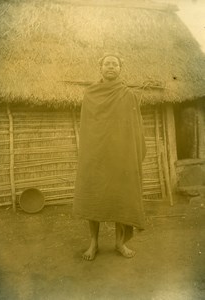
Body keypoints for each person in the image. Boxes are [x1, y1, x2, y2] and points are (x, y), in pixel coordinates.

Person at [73, 53, 146, 260]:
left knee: (121, 198)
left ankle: (119, 243)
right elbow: (87, 127)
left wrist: (132, 152)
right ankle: (93, 243)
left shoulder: (128, 95)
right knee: (93, 197)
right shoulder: (90, 94)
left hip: (120, 157)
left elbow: (135, 127)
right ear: (100, 68)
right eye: (107, 64)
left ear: (120, 68)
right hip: (96, 155)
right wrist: (89, 152)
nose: (111, 67)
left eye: (115, 64)